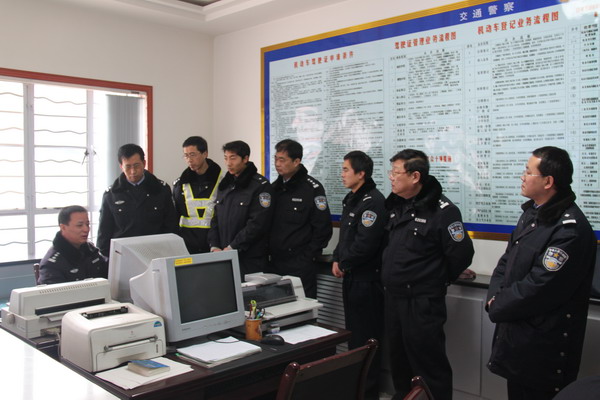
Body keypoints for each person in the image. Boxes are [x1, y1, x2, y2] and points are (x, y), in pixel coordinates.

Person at [486, 146, 596, 400]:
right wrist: (494, 297)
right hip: (518, 338)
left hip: (544, 346)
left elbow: (540, 286)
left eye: (528, 172)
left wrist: (498, 304)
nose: (522, 177)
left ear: (548, 181)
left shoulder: (569, 229)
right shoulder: (532, 214)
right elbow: (506, 263)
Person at [381, 149, 474, 400]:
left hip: (421, 302)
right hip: (394, 298)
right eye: (391, 172)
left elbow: (461, 254)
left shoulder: (443, 211)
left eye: (396, 172)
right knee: (400, 363)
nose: (391, 177)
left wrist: (436, 279)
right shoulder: (397, 205)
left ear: (415, 176)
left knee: (428, 367)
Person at [332, 150, 387, 400]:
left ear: (361, 173)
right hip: (352, 277)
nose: (342, 174)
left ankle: (368, 392)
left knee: (367, 340)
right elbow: (345, 237)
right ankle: (356, 390)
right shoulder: (352, 199)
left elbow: (366, 244)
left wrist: (344, 262)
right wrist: (337, 257)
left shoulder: (372, 202)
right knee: (355, 337)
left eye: (346, 170)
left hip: (367, 281)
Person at [269, 139, 332, 299]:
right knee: (276, 308)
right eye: (276, 159)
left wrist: (307, 257)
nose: (277, 164)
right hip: (275, 263)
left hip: (300, 264)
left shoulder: (312, 189)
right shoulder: (274, 189)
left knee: (302, 308)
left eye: (282, 160)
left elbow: (323, 229)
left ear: (296, 161)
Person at [97, 143, 177, 256]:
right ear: (121, 166)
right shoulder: (112, 194)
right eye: (128, 167)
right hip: (123, 254)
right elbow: (104, 232)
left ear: (144, 163)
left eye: (136, 165)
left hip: (155, 252)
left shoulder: (160, 189)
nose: (133, 171)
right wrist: (106, 258)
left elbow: (171, 226)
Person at [208, 140, 274, 277]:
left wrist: (233, 247)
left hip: (249, 259)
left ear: (245, 159)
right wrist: (214, 246)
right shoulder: (225, 185)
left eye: (233, 158)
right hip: (223, 255)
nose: (228, 163)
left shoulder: (260, 186)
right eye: (226, 158)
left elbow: (257, 224)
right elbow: (215, 219)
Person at [173, 136, 223, 253]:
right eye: (186, 156)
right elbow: (174, 217)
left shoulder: (223, 181)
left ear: (205, 154)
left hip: (215, 246)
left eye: (193, 155)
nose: (189, 160)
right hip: (186, 247)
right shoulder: (179, 184)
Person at [38, 205, 108, 284]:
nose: (86, 229)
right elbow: (53, 291)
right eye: (79, 225)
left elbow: (109, 270)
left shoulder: (89, 250)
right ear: (63, 227)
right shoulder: (52, 264)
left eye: (87, 224)